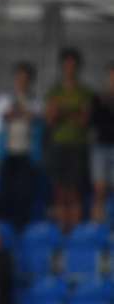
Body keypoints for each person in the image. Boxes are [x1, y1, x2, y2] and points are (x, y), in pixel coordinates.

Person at [0, 61, 43, 228]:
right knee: (5, 193)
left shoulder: (36, 102)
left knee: (24, 195)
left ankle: (21, 228)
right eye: (19, 78)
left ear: (31, 81)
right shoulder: (2, 100)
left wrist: (30, 117)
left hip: (27, 155)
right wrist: (6, 117)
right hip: (7, 154)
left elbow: (42, 126)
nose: (22, 82)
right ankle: (5, 228)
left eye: (26, 79)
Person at [45, 47, 93, 230]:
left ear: (77, 67)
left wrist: (61, 112)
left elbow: (84, 120)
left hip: (78, 145)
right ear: (62, 67)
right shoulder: (54, 91)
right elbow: (50, 119)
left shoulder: (85, 92)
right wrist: (73, 111)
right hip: (58, 145)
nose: (69, 68)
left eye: (73, 65)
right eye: (66, 65)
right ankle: (61, 227)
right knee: (59, 189)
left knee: (74, 189)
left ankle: (75, 227)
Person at [90, 62, 114, 221]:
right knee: (99, 189)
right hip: (100, 147)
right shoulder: (98, 98)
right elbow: (94, 120)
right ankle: (97, 223)